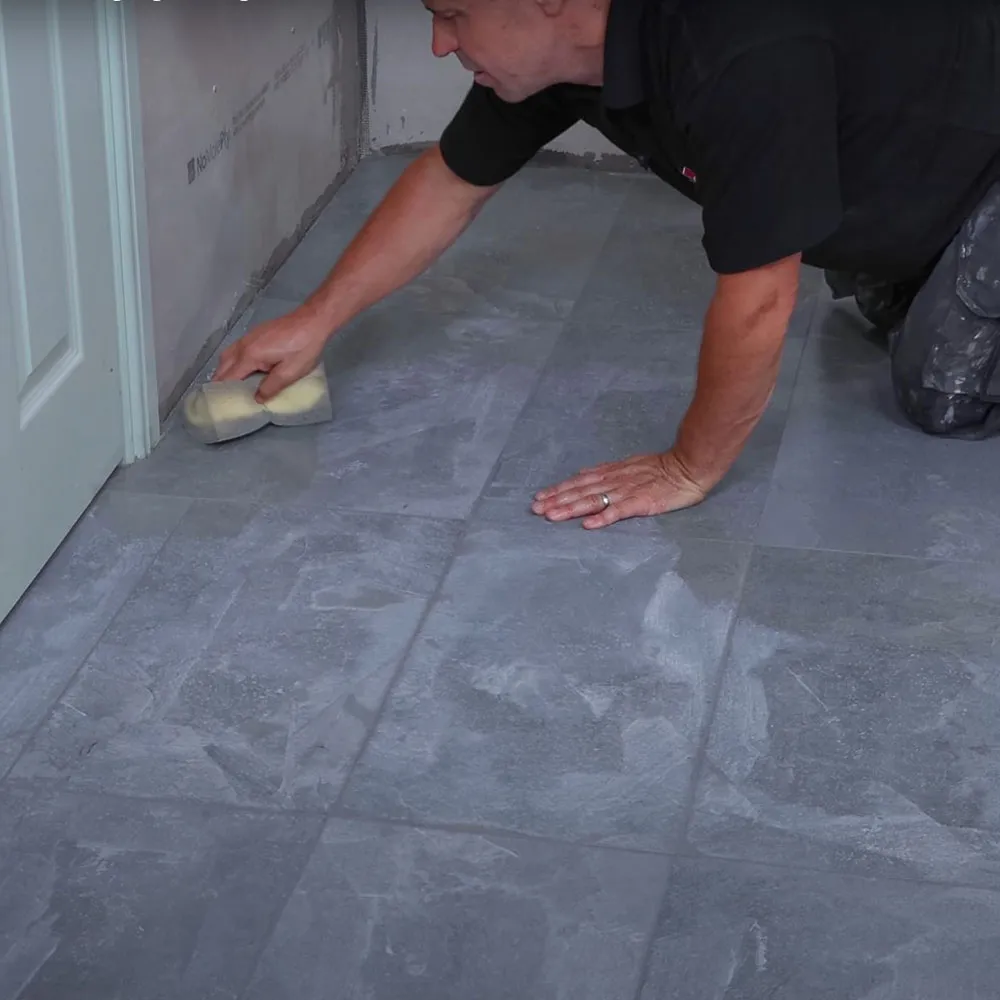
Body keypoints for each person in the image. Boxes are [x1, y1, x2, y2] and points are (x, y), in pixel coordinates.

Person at [214, 0, 1000, 531]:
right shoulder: (569, 55)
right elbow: (452, 180)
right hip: (929, 160)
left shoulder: (741, 48)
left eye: (453, 14)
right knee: (874, 275)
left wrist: (689, 466)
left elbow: (763, 294)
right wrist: (315, 320)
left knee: (944, 393)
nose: (441, 44)